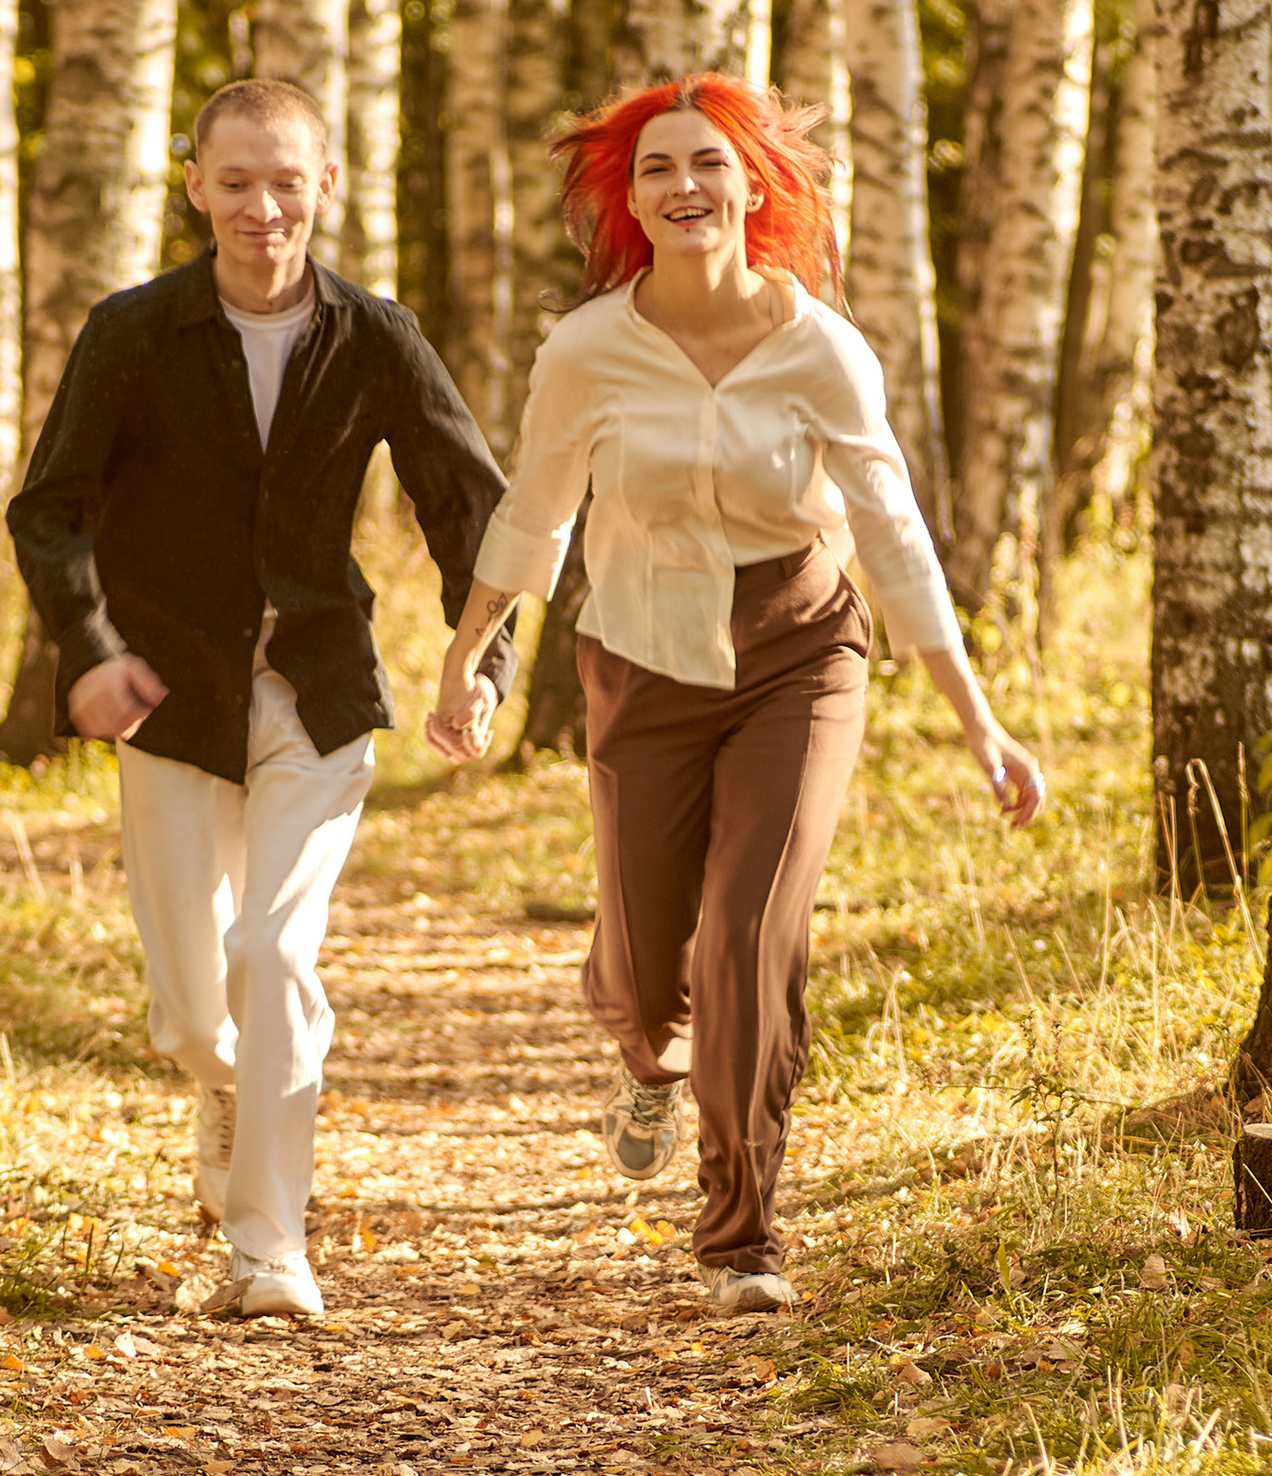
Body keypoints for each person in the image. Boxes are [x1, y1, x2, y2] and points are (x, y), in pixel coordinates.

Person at [430, 75, 1043, 1319]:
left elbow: (893, 531)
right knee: (651, 976)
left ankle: (741, 1231)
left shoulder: (821, 345)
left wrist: (977, 719)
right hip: (642, 653)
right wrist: (466, 661)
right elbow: (537, 509)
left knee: (749, 929)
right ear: (629, 198)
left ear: (753, 185)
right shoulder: (589, 346)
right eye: (657, 168)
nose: (684, 187)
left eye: (708, 164)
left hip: (797, 651)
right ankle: (646, 1046)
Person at [8, 78, 510, 1323]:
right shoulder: (132, 332)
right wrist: (87, 651)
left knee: (272, 953)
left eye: (286, 181)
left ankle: (269, 1249)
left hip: (318, 692)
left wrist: (481, 665)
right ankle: (222, 1083)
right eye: (235, 180)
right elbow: (49, 508)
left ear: (324, 188)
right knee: (192, 1008)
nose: (262, 206)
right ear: (194, 187)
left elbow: (471, 505)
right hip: (171, 696)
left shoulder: (376, 334)